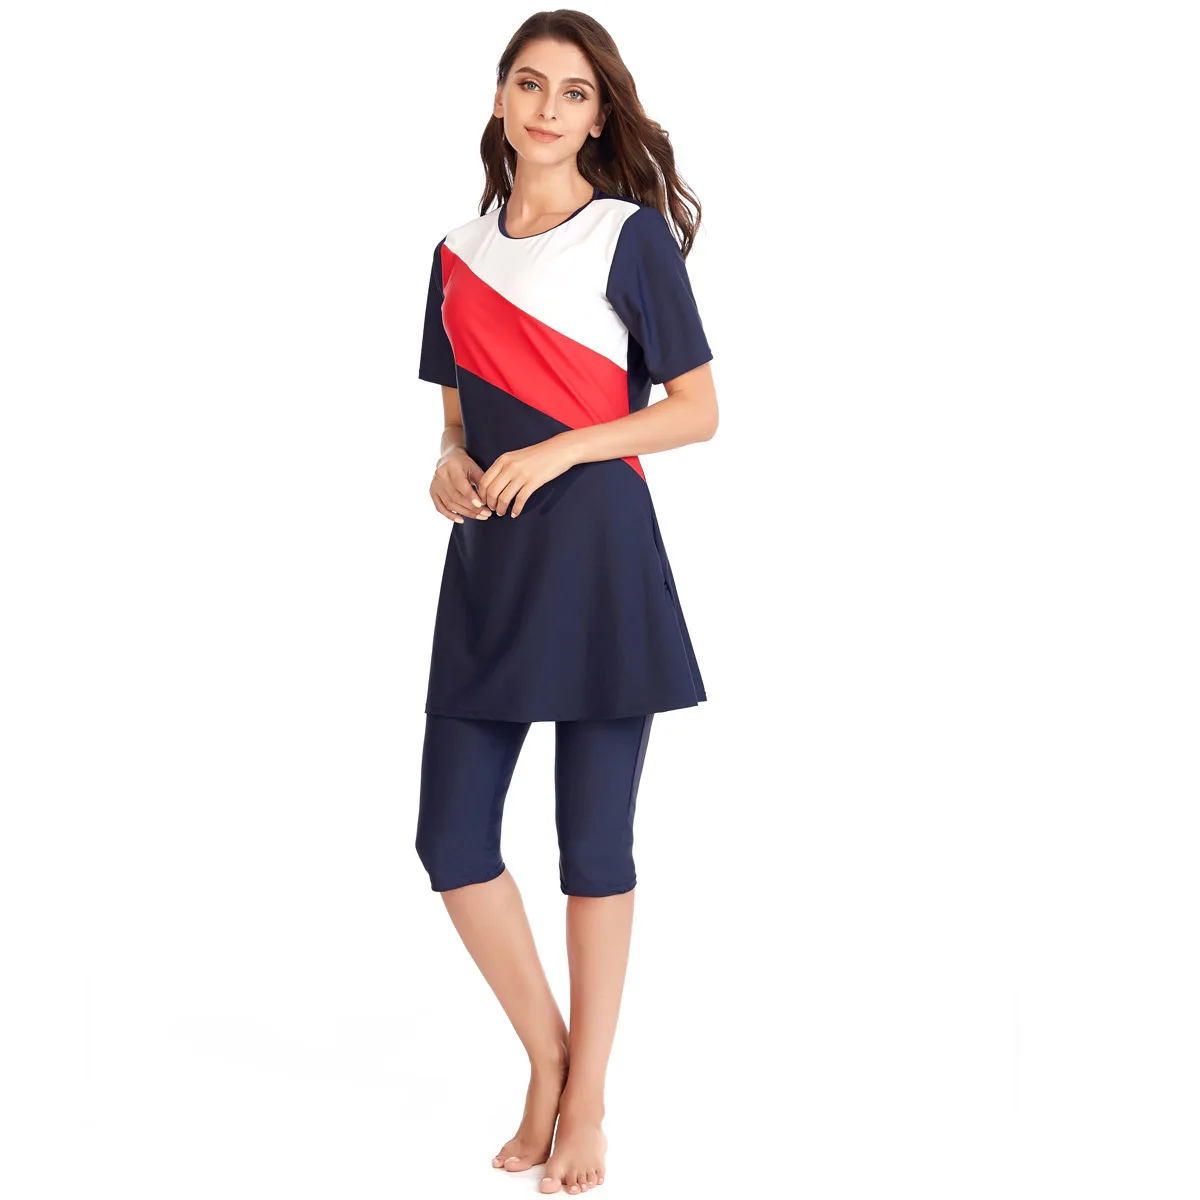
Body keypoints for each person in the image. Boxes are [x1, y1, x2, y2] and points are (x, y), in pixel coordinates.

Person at [414, 11, 718, 1195]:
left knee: (593, 845)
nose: (548, 108)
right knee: (451, 843)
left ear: (599, 114)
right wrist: (447, 465)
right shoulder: (452, 253)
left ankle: (586, 1103)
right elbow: (454, 418)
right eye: (530, 84)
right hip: (490, 568)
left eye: (575, 92)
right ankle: (549, 1054)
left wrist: (563, 449)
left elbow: (696, 409)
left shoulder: (627, 237)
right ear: (500, 98)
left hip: (599, 562)